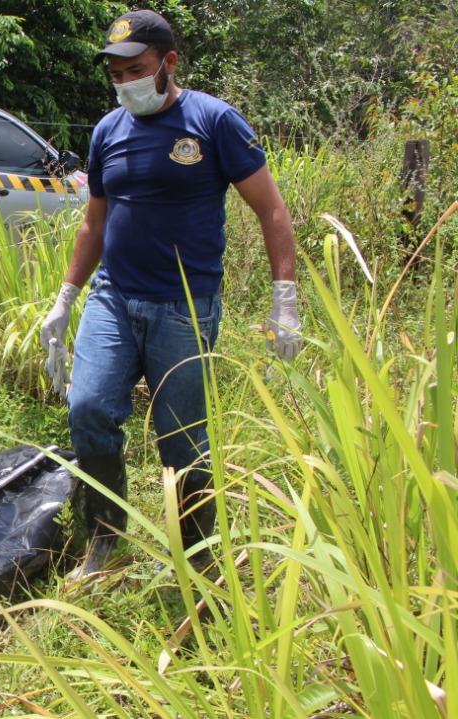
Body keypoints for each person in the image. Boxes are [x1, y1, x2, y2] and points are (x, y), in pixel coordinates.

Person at [40, 9, 302, 580]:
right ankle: (105, 542)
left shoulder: (213, 121)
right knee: (88, 410)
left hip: (185, 307)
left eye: (136, 69)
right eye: (116, 74)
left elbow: (272, 209)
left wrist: (285, 297)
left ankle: (198, 555)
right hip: (113, 297)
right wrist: (65, 297)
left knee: (182, 437)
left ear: (169, 63)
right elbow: (94, 223)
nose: (125, 82)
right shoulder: (108, 131)